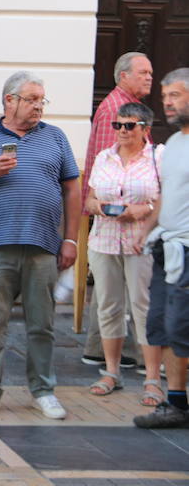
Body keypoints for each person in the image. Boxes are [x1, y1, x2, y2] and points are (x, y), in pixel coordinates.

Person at [0, 71, 80, 420]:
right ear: (10, 100)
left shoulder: (56, 137)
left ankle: (43, 390)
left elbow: (72, 188)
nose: (38, 106)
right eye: (32, 99)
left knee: (43, 323)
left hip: (43, 245)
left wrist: (70, 238)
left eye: (41, 99)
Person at [84, 102, 163, 405]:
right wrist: (100, 207)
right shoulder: (105, 157)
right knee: (108, 306)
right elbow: (90, 198)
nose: (121, 131)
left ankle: (153, 377)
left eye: (128, 126)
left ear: (145, 129)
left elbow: (169, 198)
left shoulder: (158, 157)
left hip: (141, 242)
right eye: (118, 126)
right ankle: (111, 371)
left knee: (143, 306)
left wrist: (145, 209)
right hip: (104, 240)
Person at [80, 52, 153, 369]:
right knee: (123, 293)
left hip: (122, 222)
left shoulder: (120, 105)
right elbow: (113, 164)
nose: (149, 77)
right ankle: (134, 355)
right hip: (114, 219)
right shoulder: (116, 108)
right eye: (143, 72)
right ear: (123, 75)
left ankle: (99, 348)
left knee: (115, 292)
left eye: (150, 72)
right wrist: (115, 206)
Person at [134, 67, 189, 429]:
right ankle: (177, 403)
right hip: (164, 249)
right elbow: (166, 197)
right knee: (160, 326)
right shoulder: (173, 145)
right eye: (165, 95)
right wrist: (146, 229)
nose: (167, 102)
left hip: (187, 251)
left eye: (176, 95)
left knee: (180, 326)